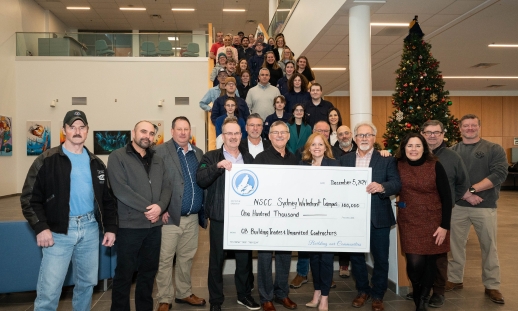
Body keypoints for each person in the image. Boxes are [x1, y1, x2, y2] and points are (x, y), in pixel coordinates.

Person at [20, 110, 117, 311]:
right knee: (49, 290)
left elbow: (107, 199)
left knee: (87, 285)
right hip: (58, 232)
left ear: (87, 130)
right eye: (72, 127)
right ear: (64, 130)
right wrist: (41, 227)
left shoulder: (96, 164)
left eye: (81, 127)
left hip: (90, 229)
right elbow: (29, 198)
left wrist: (110, 228)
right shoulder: (46, 160)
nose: (77, 131)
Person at [196, 117, 260, 311]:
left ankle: (244, 295)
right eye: (229, 133)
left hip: (243, 217)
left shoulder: (249, 158)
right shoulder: (210, 157)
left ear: (241, 135)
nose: (233, 137)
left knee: (244, 260)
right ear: (222, 136)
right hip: (219, 216)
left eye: (236, 133)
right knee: (216, 260)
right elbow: (201, 180)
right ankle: (216, 301)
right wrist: (218, 167)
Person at [405, 120, 470, 308]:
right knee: (418, 258)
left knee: (439, 256)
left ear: (443, 134)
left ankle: (438, 292)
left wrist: (448, 203)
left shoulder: (452, 157)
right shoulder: (413, 157)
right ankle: (421, 290)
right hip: (415, 217)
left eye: (436, 132)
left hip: (442, 213)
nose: (432, 135)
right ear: (422, 134)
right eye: (428, 132)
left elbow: (462, 183)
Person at [108, 120, 172, 311]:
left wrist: (160, 207)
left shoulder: (158, 159)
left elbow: (167, 186)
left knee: (148, 274)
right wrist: (150, 209)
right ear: (133, 132)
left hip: (154, 227)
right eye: (143, 132)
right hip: (130, 226)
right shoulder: (117, 156)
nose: (147, 136)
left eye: (151, 133)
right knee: (124, 275)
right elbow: (120, 190)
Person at [339, 121, 401, 311]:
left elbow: (397, 183)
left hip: (378, 217)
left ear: (374, 138)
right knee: (356, 258)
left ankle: (378, 295)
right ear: (354, 138)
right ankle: (363, 291)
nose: (364, 138)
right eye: (360, 135)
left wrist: (382, 187)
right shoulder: (345, 160)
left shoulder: (387, 159)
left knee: (381, 258)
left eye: (368, 135)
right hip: (353, 218)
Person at [447, 114, 508, 305]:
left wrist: (473, 190)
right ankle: (455, 279)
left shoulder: (493, 149)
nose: (470, 128)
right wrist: (466, 195)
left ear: (479, 127)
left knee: (489, 246)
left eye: (474, 125)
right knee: (455, 245)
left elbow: (499, 174)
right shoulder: (452, 151)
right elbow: (448, 178)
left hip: (486, 206)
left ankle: (492, 285)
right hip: (458, 206)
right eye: (466, 125)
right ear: (460, 128)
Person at [395, 133, 452, 311]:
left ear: (424, 148)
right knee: (414, 264)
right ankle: (420, 293)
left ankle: (421, 302)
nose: (413, 149)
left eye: (418, 145)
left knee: (430, 263)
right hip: (409, 221)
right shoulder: (397, 165)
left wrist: (444, 226)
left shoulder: (435, 166)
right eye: (410, 145)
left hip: (434, 222)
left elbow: (447, 198)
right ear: (404, 148)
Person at [155, 117, 207, 311]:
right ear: (172, 131)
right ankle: (164, 298)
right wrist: (161, 208)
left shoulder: (198, 153)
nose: (183, 132)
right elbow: (154, 183)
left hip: (193, 218)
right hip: (170, 217)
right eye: (179, 129)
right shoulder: (160, 152)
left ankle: (184, 293)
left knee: (186, 258)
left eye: (186, 129)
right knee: (165, 259)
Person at [254, 121, 298, 311]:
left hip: (287, 217)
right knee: (264, 257)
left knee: (284, 257)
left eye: (283, 132)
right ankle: (266, 297)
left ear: (288, 136)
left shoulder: (294, 159)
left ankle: (282, 294)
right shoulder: (260, 158)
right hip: (266, 217)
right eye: (275, 132)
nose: (280, 135)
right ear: (269, 136)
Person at [300, 133, 339, 311]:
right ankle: (316, 292)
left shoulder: (334, 165)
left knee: (326, 258)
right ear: (309, 148)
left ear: (326, 147)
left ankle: (325, 297)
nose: (317, 147)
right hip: (309, 219)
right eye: (313, 144)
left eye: (320, 144)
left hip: (329, 219)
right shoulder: (302, 166)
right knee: (314, 258)